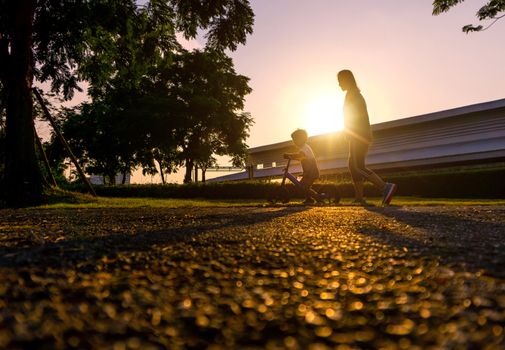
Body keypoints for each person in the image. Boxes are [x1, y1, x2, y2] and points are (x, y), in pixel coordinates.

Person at [337, 69, 397, 206]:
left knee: (357, 166)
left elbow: (353, 115)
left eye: (340, 81)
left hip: (359, 135)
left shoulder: (353, 94)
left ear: (347, 80)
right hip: (359, 135)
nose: (339, 84)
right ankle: (359, 198)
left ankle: (385, 187)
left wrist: (350, 132)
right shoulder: (353, 94)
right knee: (354, 165)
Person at [284, 129, 323, 204]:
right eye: (293, 140)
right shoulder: (303, 148)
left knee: (304, 186)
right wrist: (292, 157)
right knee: (303, 186)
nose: (294, 142)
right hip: (309, 172)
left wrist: (289, 155)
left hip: (312, 172)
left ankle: (317, 197)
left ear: (301, 139)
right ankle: (309, 199)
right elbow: (301, 158)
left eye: (295, 139)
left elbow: (300, 155)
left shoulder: (305, 148)